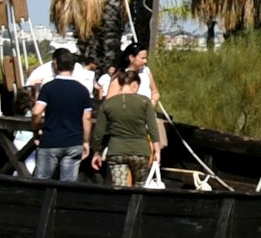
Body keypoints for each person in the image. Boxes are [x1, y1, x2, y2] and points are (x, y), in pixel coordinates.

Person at [95, 54, 162, 191]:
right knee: (139, 188)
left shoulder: (107, 104)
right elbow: (152, 127)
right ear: (135, 85)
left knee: (120, 189)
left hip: (116, 151)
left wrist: (96, 152)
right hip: (140, 151)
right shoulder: (145, 102)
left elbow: (99, 132)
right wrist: (157, 149)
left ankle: (122, 209)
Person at [27, 54, 91, 181]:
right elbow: (87, 118)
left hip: (51, 140)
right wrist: (86, 141)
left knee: (42, 181)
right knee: (67, 184)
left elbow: (36, 112)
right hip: (74, 141)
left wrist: (36, 129)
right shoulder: (82, 90)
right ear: (73, 67)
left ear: (56, 65)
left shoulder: (48, 87)